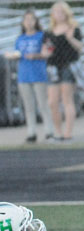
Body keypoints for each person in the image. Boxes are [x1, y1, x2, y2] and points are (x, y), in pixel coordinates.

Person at [4, 10, 54, 143]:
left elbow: (49, 51)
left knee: (43, 104)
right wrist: (12, 55)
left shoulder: (41, 35)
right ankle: (31, 132)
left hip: (38, 74)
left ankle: (49, 132)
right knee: (28, 105)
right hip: (24, 75)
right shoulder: (20, 38)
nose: (29, 22)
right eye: (26, 19)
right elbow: (18, 53)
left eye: (31, 19)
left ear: (36, 21)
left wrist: (36, 55)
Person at [41, 1, 83, 141]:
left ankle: (68, 133)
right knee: (52, 102)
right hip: (53, 66)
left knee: (67, 99)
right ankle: (58, 132)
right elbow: (45, 50)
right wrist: (45, 53)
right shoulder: (48, 32)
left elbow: (80, 47)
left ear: (66, 13)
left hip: (68, 65)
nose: (59, 15)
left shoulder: (73, 28)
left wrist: (70, 38)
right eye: (56, 12)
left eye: (61, 12)